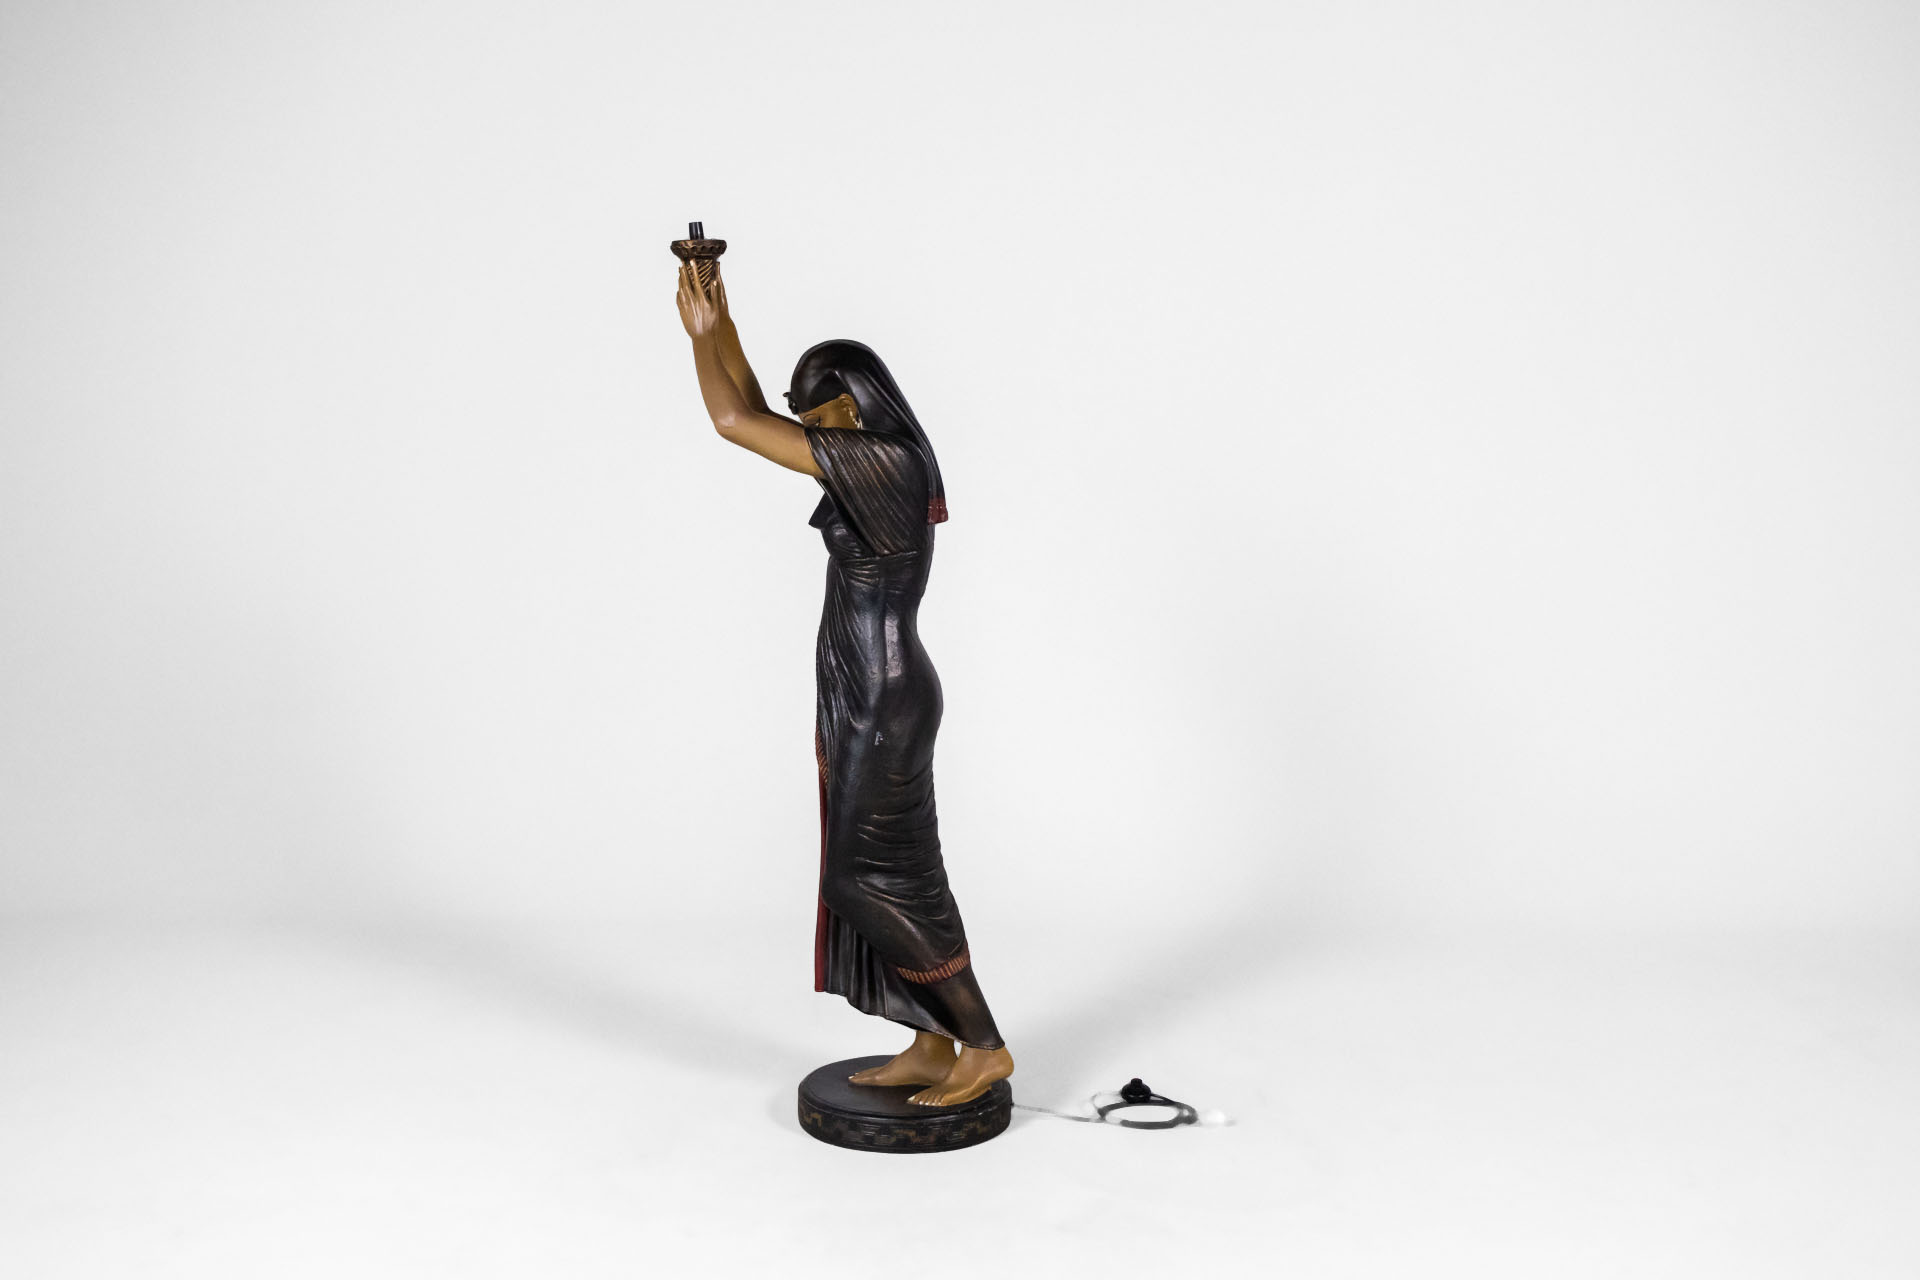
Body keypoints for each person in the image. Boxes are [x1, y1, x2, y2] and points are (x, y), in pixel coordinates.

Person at [675, 259, 1014, 1107]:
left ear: (853, 409)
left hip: (884, 697)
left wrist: (702, 342)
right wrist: (720, 322)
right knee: (906, 874)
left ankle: (984, 1046)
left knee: (861, 880)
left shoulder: (886, 461)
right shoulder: (872, 451)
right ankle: (932, 1041)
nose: (808, 434)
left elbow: (733, 420)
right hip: (868, 690)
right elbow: (757, 408)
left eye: (818, 418)